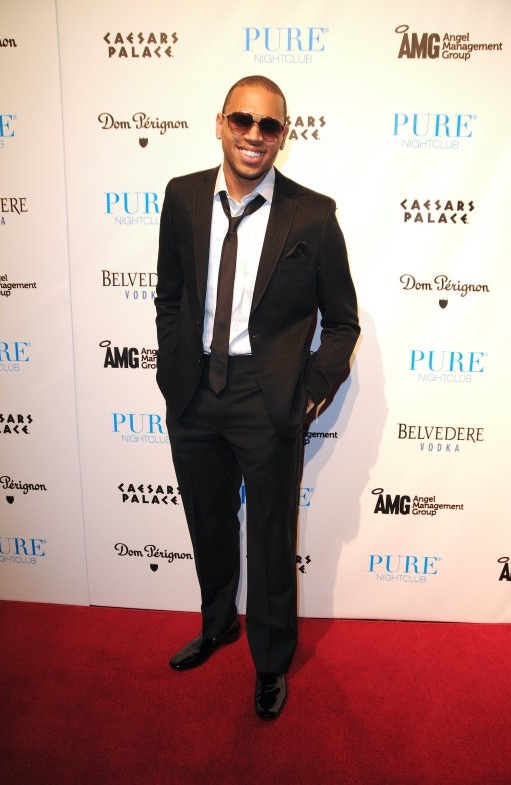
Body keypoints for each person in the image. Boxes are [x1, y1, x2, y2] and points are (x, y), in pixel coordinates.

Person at [155, 75, 360, 720]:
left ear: (283, 136)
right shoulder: (182, 197)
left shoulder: (313, 215)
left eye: (269, 125)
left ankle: (270, 662)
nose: (254, 135)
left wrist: (310, 392)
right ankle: (218, 623)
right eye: (242, 121)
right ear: (221, 123)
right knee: (207, 518)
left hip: (267, 398)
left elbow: (343, 323)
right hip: (194, 391)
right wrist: (171, 367)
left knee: (271, 536)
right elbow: (169, 295)